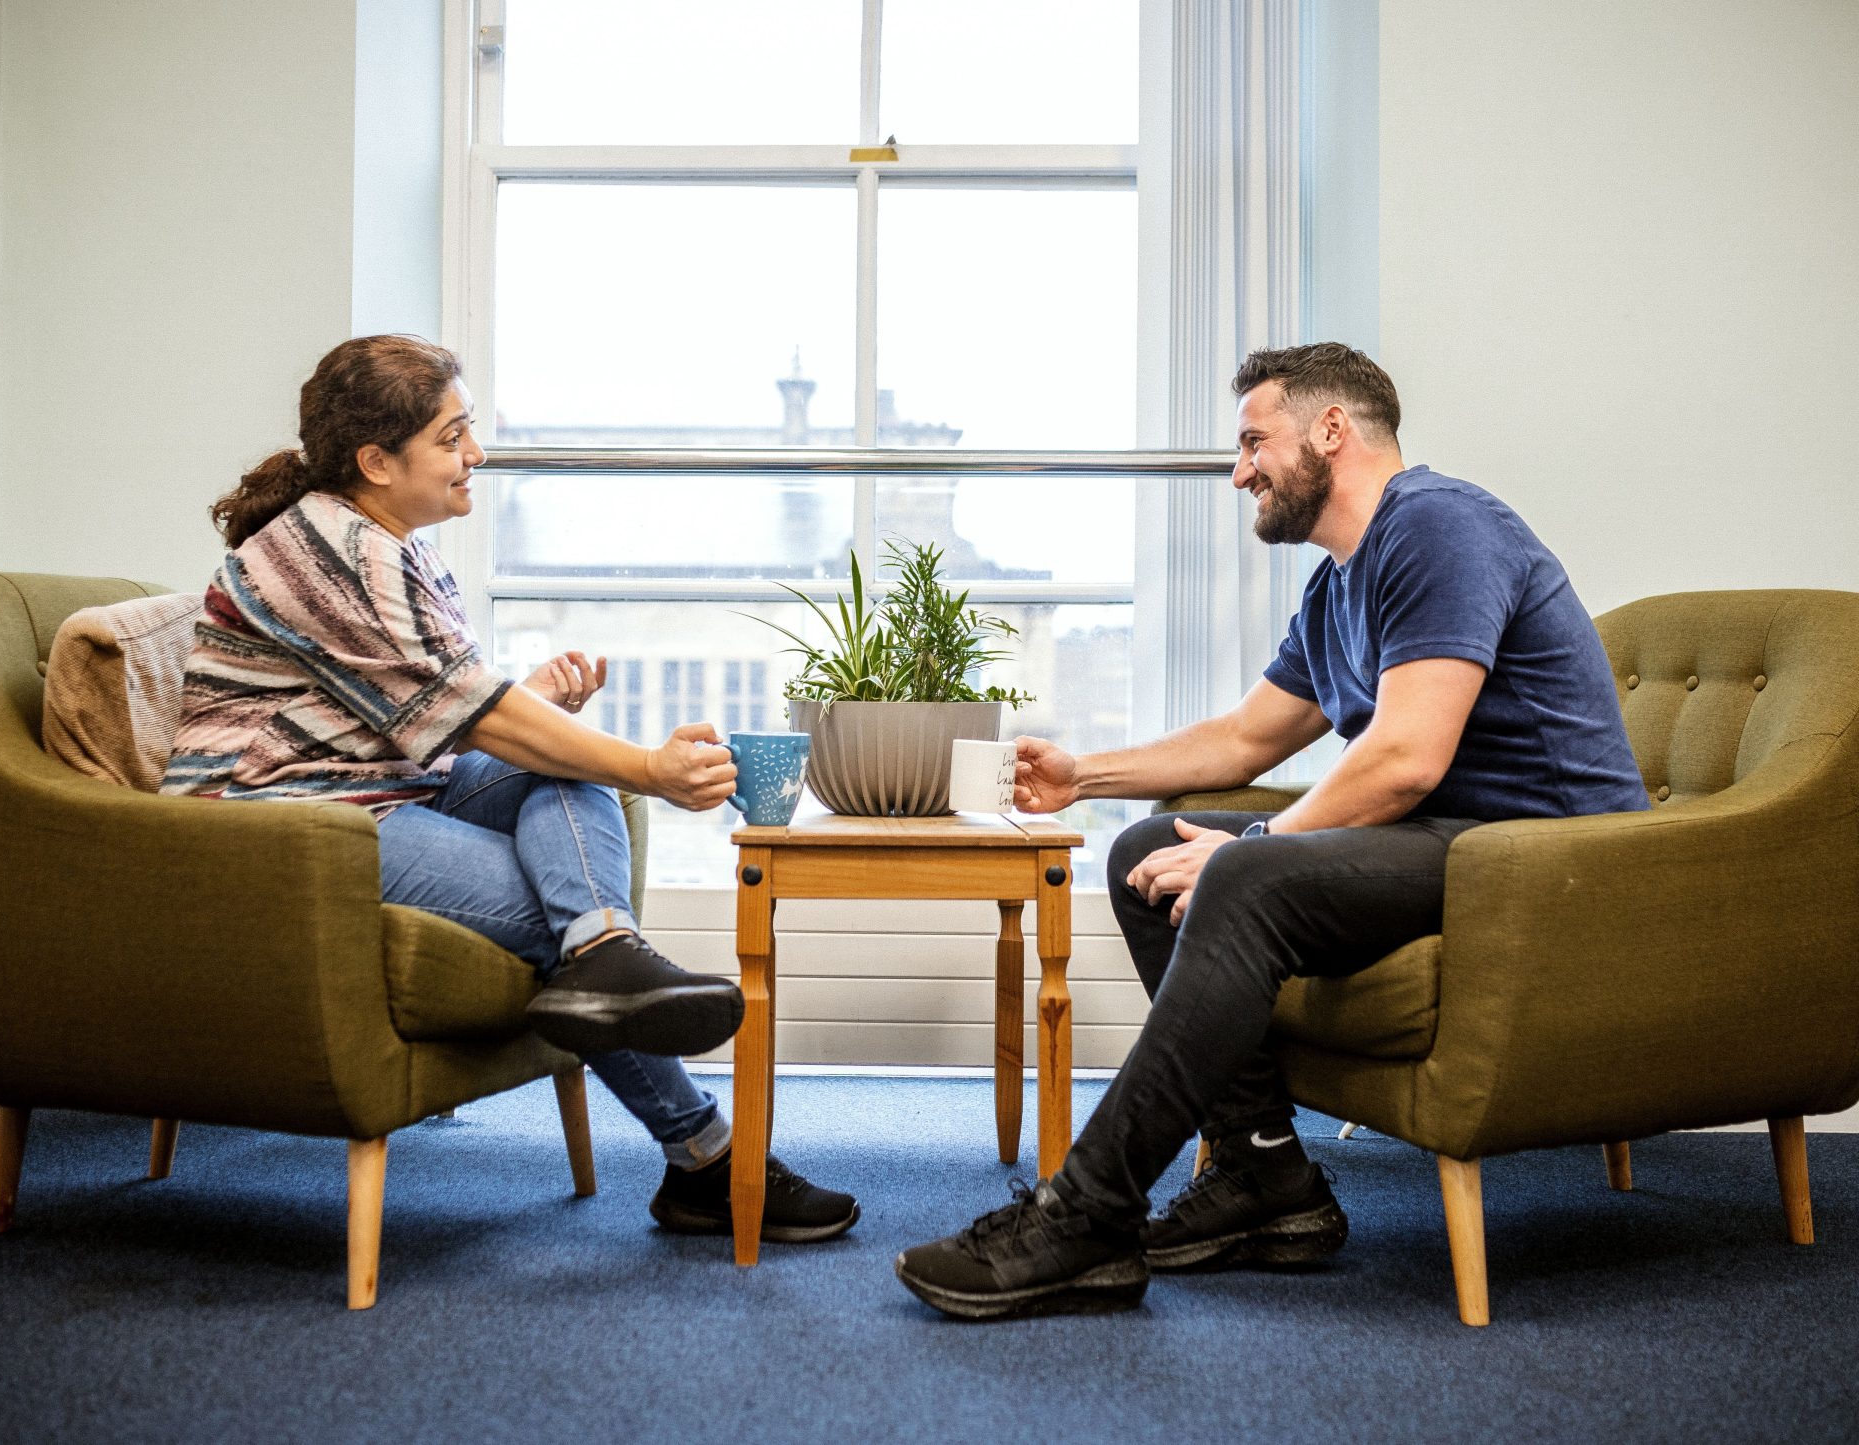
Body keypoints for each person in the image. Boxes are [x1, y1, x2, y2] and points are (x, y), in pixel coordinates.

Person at [894, 342, 1648, 1318]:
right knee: (1145, 854)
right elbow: (1247, 735)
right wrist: (1085, 775)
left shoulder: (1439, 524)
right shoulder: (1337, 586)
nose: (1239, 467)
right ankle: (1263, 1173)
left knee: (1241, 875)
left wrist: (1254, 849)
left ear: (1332, 430)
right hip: (1457, 843)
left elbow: (1410, 755)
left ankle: (1084, 1214)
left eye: (1254, 440)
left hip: (1552, 861)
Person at [162, 334, 857, 1244]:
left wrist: (532, 708)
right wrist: (644, 767)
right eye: (453, 438)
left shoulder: (386, 542)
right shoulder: (342, 551)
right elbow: (471, 715)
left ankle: (608, 951)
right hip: (281, 826)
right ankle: (703, 1153)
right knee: (559, 917)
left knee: (563, 790)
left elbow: (428, 706)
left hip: (377, 787)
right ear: (377, 461)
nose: (475, 456)